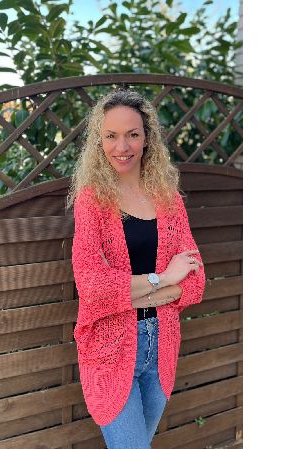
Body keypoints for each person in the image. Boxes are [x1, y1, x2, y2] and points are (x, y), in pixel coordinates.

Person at [65, 89, 206, 449]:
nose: (122, 146)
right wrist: (164, 278)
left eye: (132, 134)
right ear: (99, 141)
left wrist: (139, 293)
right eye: (111, 135)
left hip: (162, 345)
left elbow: (196, 280)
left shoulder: (168, 199)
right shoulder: (92, 201)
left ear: (147, 138)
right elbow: (92, 285)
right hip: (109, 349)